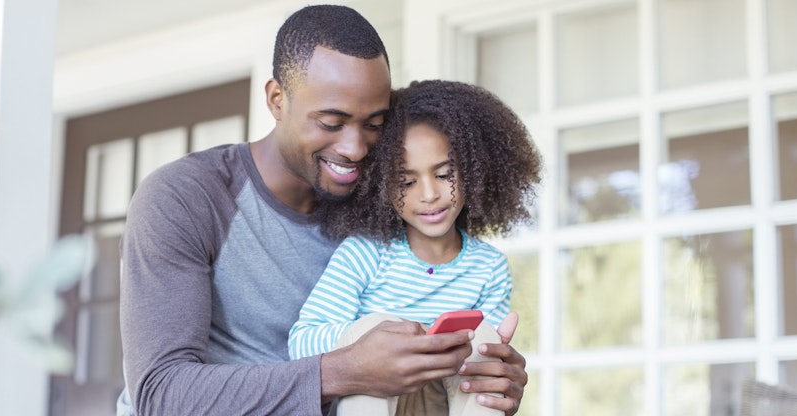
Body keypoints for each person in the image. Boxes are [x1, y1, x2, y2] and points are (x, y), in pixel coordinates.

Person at [117, 5, 528, 415]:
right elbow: (160, 394)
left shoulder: (384, 207)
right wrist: (343, 371)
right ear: (278, 99)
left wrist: (483, 378)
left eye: (374, 123)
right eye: (332, 122)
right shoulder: (186, 197)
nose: (355, 148)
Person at [288, 80, 542, 416]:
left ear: (474, 171)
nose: (428, 194)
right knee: (373, 326)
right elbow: (302, 342)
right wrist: (385, 340)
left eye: (444, 174)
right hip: (374, 398)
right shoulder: (366, 253)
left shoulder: (488, 267)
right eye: (406, 181)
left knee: (482, 339)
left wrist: (493, 351)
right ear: (381, 185)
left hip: (444, 399)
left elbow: (486, 381)